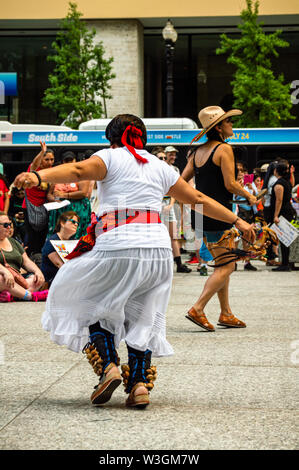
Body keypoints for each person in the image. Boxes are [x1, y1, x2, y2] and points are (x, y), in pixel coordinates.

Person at [14, 114, 254, 409]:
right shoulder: (161, 167)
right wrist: (238, 221)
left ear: (111, 138)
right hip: (157, 251)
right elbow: (196, 197)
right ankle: (139, 385)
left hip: (118, 243)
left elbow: (77, 170)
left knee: (87, 298)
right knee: (144, 315)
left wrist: (38, 177)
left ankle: (109, 367)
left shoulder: (109, 158)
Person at [182, 105, 257, 332]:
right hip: (219, 214)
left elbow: (181, 182)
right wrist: (249, 195)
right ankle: (198, 308)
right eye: (228, 122)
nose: (231, 125)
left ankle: (225, 313)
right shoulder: (224, 149)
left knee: (225, 263)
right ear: (219, 127)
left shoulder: (196, 154)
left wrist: (195, 200)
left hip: (201, 215)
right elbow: (230, 184)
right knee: (227, 265)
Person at [152, 147, 191, 272]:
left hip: (169, 203)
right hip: (156, 206)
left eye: (164, 158)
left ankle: (179, 264)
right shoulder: (151, 171)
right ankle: (158, 265)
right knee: (157, 236)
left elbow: (176, 190)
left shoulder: (173, 170)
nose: (164, 160)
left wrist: (170, 205)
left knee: (173, 235)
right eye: (161, 158)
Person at [0, 211, 48, 302]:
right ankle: (30, 296)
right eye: (5, 225)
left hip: (16, 279)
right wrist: (5, 271)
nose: (9, 227)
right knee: (1, 279)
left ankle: (13, 295)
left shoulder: (13, 242)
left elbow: (26, 261)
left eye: (10, 224)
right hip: (4, 279)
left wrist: (37, 271)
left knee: (36, 278)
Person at [47, 151, 91, 239]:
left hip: (78, 209)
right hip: (60, 210)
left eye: (71, 160)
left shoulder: (82, 174)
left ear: (75, 161)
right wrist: (55, 200)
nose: (69, 163)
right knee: (59, 233)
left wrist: (64, 195)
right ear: (63, 162)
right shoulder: (57, 175)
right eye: (66, 161)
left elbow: (83, 193)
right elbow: (49, 195)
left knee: (77, 234)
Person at [22, 142, 55, 256]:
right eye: (47, 159)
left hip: (45, 208)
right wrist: (42, 152)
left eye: (52, 159)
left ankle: (39, 261)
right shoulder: (35, 169)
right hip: (30, 207)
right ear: (41, 159)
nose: (50, 162)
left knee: (42, 238)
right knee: (31, 238)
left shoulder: (53, 171)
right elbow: (34, 165)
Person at [41, 211, 80, 288]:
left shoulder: (74, 241)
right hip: (51, 281)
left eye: (77, 223)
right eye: (73, 221)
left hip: (65, 278)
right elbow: (61, 265)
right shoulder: (52, 241)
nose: (76, 224)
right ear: (62, 223)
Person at [270, 159, 296, 271]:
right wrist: (291, 173)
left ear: (276, 171)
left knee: (284, 239)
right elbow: (293, 184)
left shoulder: (279, 184)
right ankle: (286, 262)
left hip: (283, 213)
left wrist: (275, 215)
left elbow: (278, 200)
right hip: (288, 211)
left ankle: (285, 264)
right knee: (285, 239)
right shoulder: (287, 182)